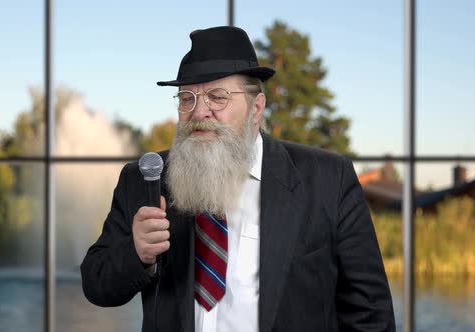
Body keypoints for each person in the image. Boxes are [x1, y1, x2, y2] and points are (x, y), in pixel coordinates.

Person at [80, 26, 395, 332]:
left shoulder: (328, 179)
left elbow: (369, 314)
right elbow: (96, 284)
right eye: (187, 98)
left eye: (217, 97)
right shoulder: (143, 179)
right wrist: (137, 253)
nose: (199, 111)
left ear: (256, 109)